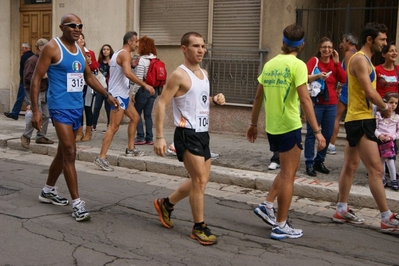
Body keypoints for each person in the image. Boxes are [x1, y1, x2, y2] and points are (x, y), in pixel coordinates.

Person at [30, 13, 119, 222]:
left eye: (79, 25)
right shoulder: (53, 47)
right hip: (59, 107)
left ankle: (47, 190)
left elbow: (88, 77)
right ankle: (77, 203)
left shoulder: (79, 50)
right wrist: (35, 110)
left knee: (63, 153)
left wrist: (107, 94)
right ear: (62, 27)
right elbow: (35, 79)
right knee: (70, 151)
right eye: (72, 25)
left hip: (76, 108)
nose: (77, 29)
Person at [248, 24, 326, 240]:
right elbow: (304, 98)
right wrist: (317, 131)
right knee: (289, 176)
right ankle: (280, 224)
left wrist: (253, 124)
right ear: (301, 44)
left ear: (283, 42)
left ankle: (267, 205)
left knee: (285, 171)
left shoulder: (270, 64)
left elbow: (258, 97)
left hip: (272, 127)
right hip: (289, 126)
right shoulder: (298, 65)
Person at [153, 32, 225, 245]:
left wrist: (215, 100)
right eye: (195, 46)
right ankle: (198, 227)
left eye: (203, 46)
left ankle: (166, 204)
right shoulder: (179, 75)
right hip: (186, 133)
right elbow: (162, 103)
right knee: (200, 181)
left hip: (203, 134)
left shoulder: (204, 73)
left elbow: (199, 101)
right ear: (184, 49)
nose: (201, 50)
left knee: (200, 180)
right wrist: (159, 137)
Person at [332, 22, 399, 232]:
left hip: (358, 119)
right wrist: (385, 107)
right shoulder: (360, 59)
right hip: (361, 120)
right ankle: (386, 217)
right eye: (382, 40)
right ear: (370, 40)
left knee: (350, 166)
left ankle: (341, 209)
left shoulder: (365, 59)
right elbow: (369, 92)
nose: (385, 43)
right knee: (377, 170)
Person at [94, 31, 155, 172]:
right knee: (113, 127)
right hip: (117, 96)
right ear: (130, 42)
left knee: (135, 117)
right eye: (136, 41)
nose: (137, 44)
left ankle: (130, 148)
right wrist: (145, 84)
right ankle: (101, 157)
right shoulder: (124, 54)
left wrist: (132, 65)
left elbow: (123, 71)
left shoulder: (119, 53)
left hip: (123, 95)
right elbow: (127, 73)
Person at [304, 37, 346, 177]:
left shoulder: (334, 63)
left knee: (327, 133)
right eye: (324, 47)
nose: (326, 50)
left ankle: (319, 161)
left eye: (329, 47)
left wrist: (337, 62)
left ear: (333, 49)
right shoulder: (314, 61)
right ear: (319, 49)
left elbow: (343, 79)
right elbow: (303, 77)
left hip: (331, 104)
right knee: (311, 133)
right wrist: (317, 76)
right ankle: (309, 162)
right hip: (316, 103)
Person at [20, 38, 54, 149]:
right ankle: (26, 136)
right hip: (34, 91)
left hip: (44, 90)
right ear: (40, 47)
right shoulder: (32, 60)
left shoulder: (45, 60)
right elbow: (26, 78)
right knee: (36, 114)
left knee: (46, 114)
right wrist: (41, 77)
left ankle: (41, 135)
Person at [328, 33, 359, 155]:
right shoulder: (358, 54)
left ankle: (331, 144)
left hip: (347, 89)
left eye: (343, 41)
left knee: (336, 116)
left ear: (349, 42)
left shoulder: (349, 54)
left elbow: (345, 75)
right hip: (353, 90)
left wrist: (339, 87)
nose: (341, 44)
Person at [132, 36, 159, 146]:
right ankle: (150, 138)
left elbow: (139, 79)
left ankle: (140, 137)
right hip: (154, 90)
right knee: (148, 115)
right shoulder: (155, 59)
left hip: (144, 90)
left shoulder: (142, 60)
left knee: (136, 113)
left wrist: (133, 93)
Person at [75, 33, 100, 142]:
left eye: (82, 38)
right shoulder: (73, 52)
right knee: (78, 108)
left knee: (87, 107)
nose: (80, 40)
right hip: (77, 83)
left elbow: (95, 66)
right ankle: (79, 132)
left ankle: (89, 131)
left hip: (88, 84)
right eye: (78, 38)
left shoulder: (90, 52)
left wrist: (89, 62)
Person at [375, 92, 399, 190]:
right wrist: (379, 135)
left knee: (391, 161)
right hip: (380, 141)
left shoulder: (397, 117)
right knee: (381, 161)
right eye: (391, 102)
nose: (393, 105)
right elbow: (374, 128)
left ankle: (394, 180)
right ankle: (382, 178)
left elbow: (398, 132)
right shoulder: (378, 115)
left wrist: (392, 137)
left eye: (396, 103)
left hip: (390, 142)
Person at [4, 42, 34, 120]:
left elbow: (24, 70)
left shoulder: (25, 57)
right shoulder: (33, 56)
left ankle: (15, 113)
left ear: (26, 49)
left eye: (22, 48)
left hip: (25, 80)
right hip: (32, 80)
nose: (21, 50)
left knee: (22, 97)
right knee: (29, 97)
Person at [92, 44, 113, 133]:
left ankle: (109, 125)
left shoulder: (112, 63)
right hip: (100, 87)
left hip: (109, 88)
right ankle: (93, 125)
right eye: (104, 49)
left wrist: (111, 65)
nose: (105, 51)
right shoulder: (98, 63)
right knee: (97, 106)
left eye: (107, 49)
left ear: (110, 51)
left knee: (108, 107)